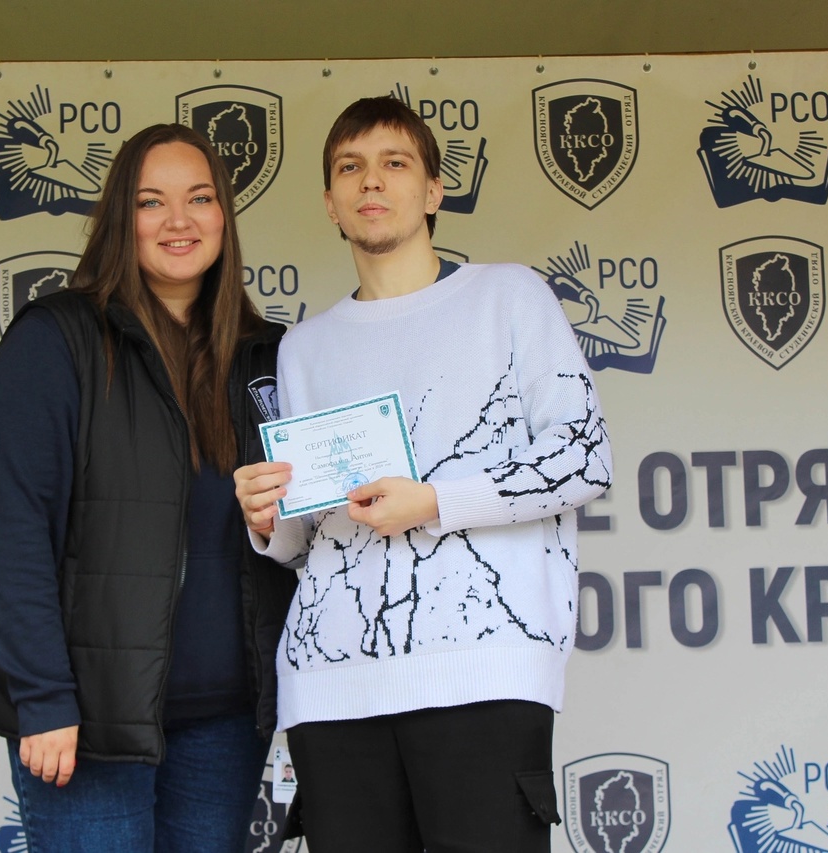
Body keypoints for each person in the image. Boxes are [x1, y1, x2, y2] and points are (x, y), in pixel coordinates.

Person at [234, 96, 613, 851]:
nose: (371, 180)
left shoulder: (509, 297)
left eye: (395, 162)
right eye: (350, 167)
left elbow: (585, 457)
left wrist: (436, 501)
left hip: (484, 669)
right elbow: (310, 535)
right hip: (332, 687)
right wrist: (267, 520)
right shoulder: (304, 347)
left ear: (434, 190)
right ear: (331, 203)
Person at [0, 123, 296, 852]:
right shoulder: (56, 339)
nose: (179, 220)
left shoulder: (267, 355)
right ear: (122, 217)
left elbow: (305, 532)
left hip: (226, 722)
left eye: (199, 198)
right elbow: (10, 531)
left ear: (224, 216)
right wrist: (43, 696)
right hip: (89, 723)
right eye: (152, 202)